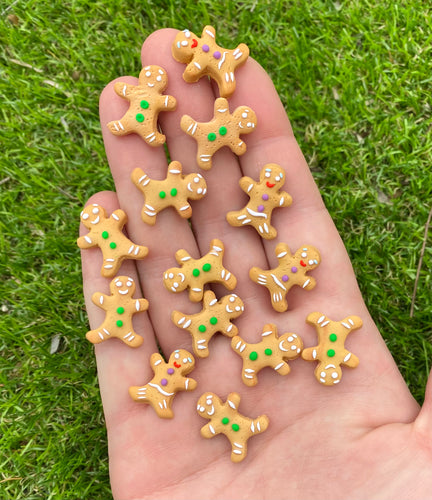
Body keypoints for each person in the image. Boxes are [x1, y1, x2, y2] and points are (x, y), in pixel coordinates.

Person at [79, 28, 432, 499]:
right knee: (187, 255)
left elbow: (299, 343)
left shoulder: (314, 336)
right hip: (212, 270)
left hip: (239, 279)